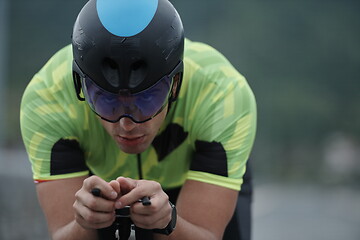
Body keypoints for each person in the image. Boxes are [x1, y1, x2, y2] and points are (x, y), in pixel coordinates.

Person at [20, 0, 257, 239]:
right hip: (97, 183)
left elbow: (206, 233)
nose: (127, 124)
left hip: (189, 179)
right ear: (79, 85)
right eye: (106, 101)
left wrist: (169, 221)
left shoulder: (222, 96)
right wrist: (85, 223)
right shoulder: (48, 98)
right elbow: (63, 233)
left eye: (147, 100)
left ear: (176, 84)